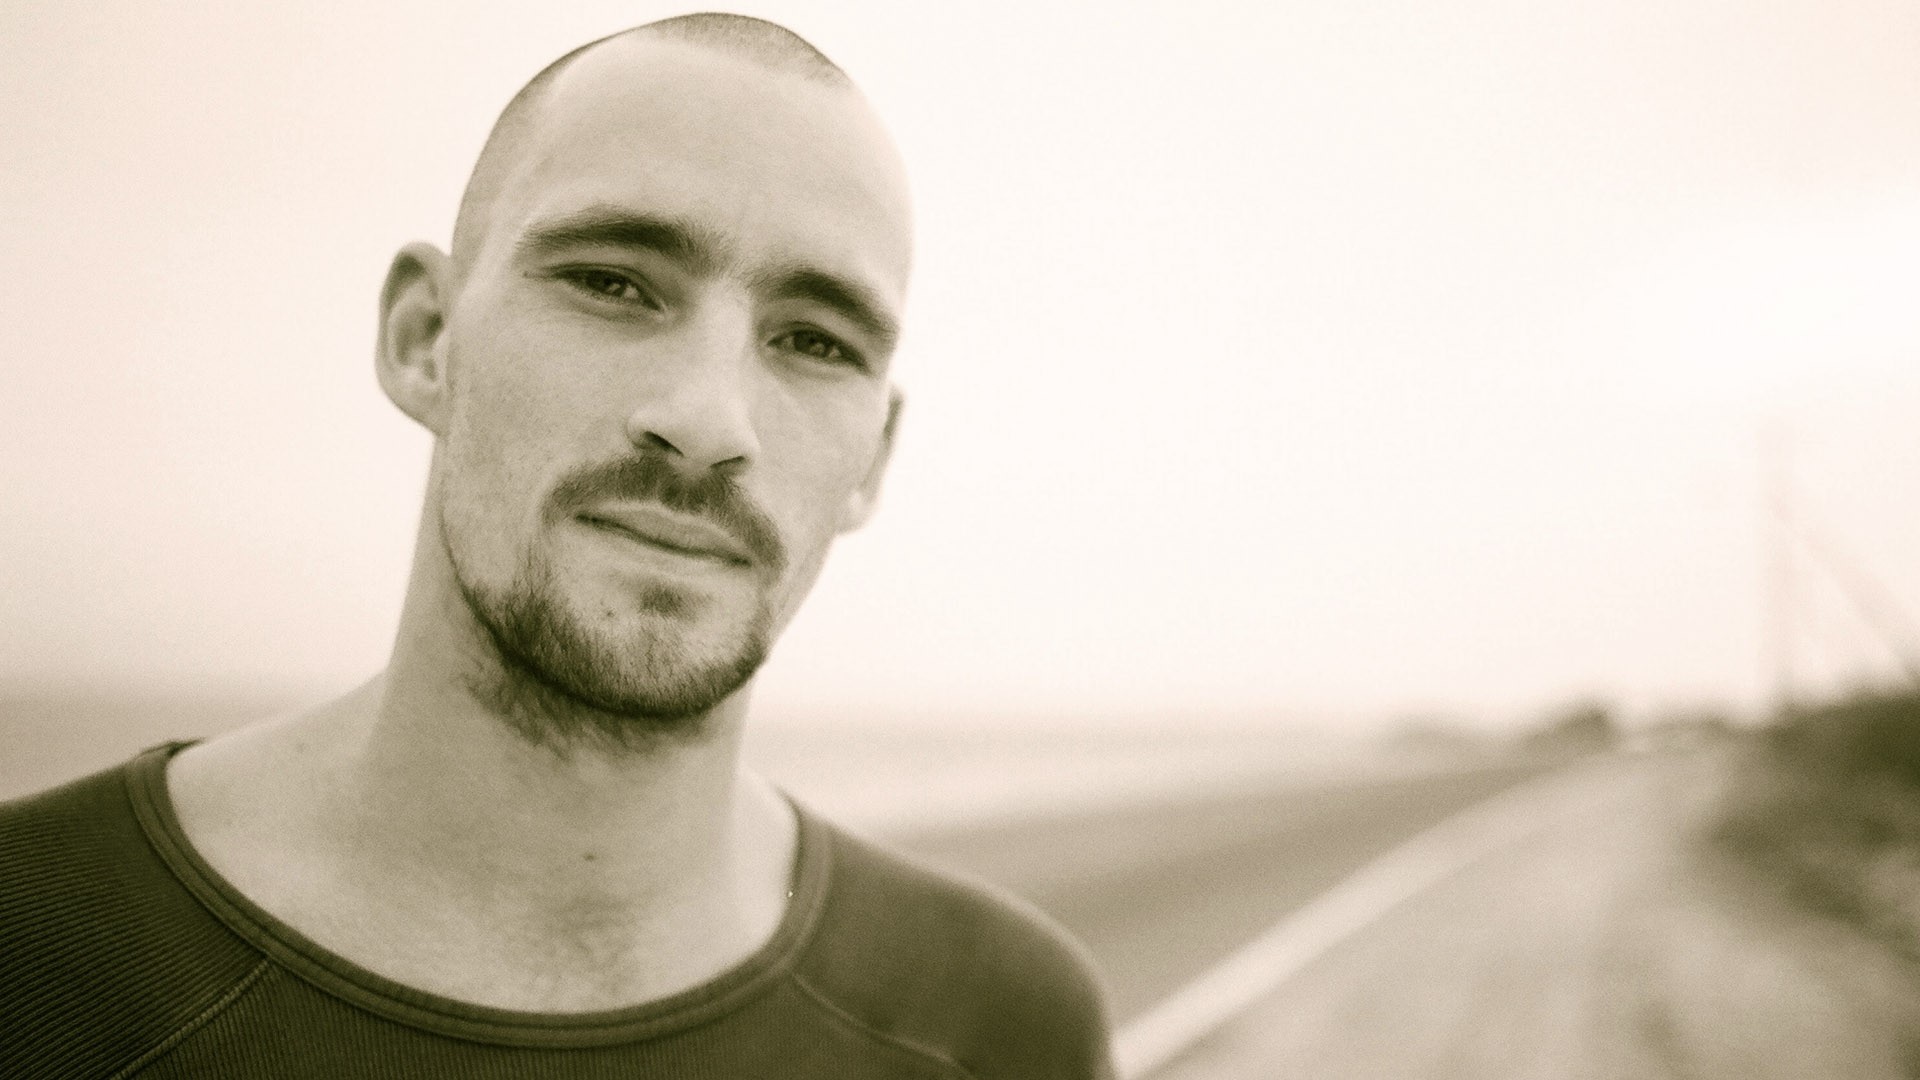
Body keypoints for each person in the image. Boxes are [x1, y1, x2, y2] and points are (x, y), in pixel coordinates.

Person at [0, 14, 1114, 1078]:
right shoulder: (33, 951)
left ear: (873, 455)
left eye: (815, 341)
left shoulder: (1001, 1026)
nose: (708, 420)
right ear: (425, 339)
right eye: (610, 282)